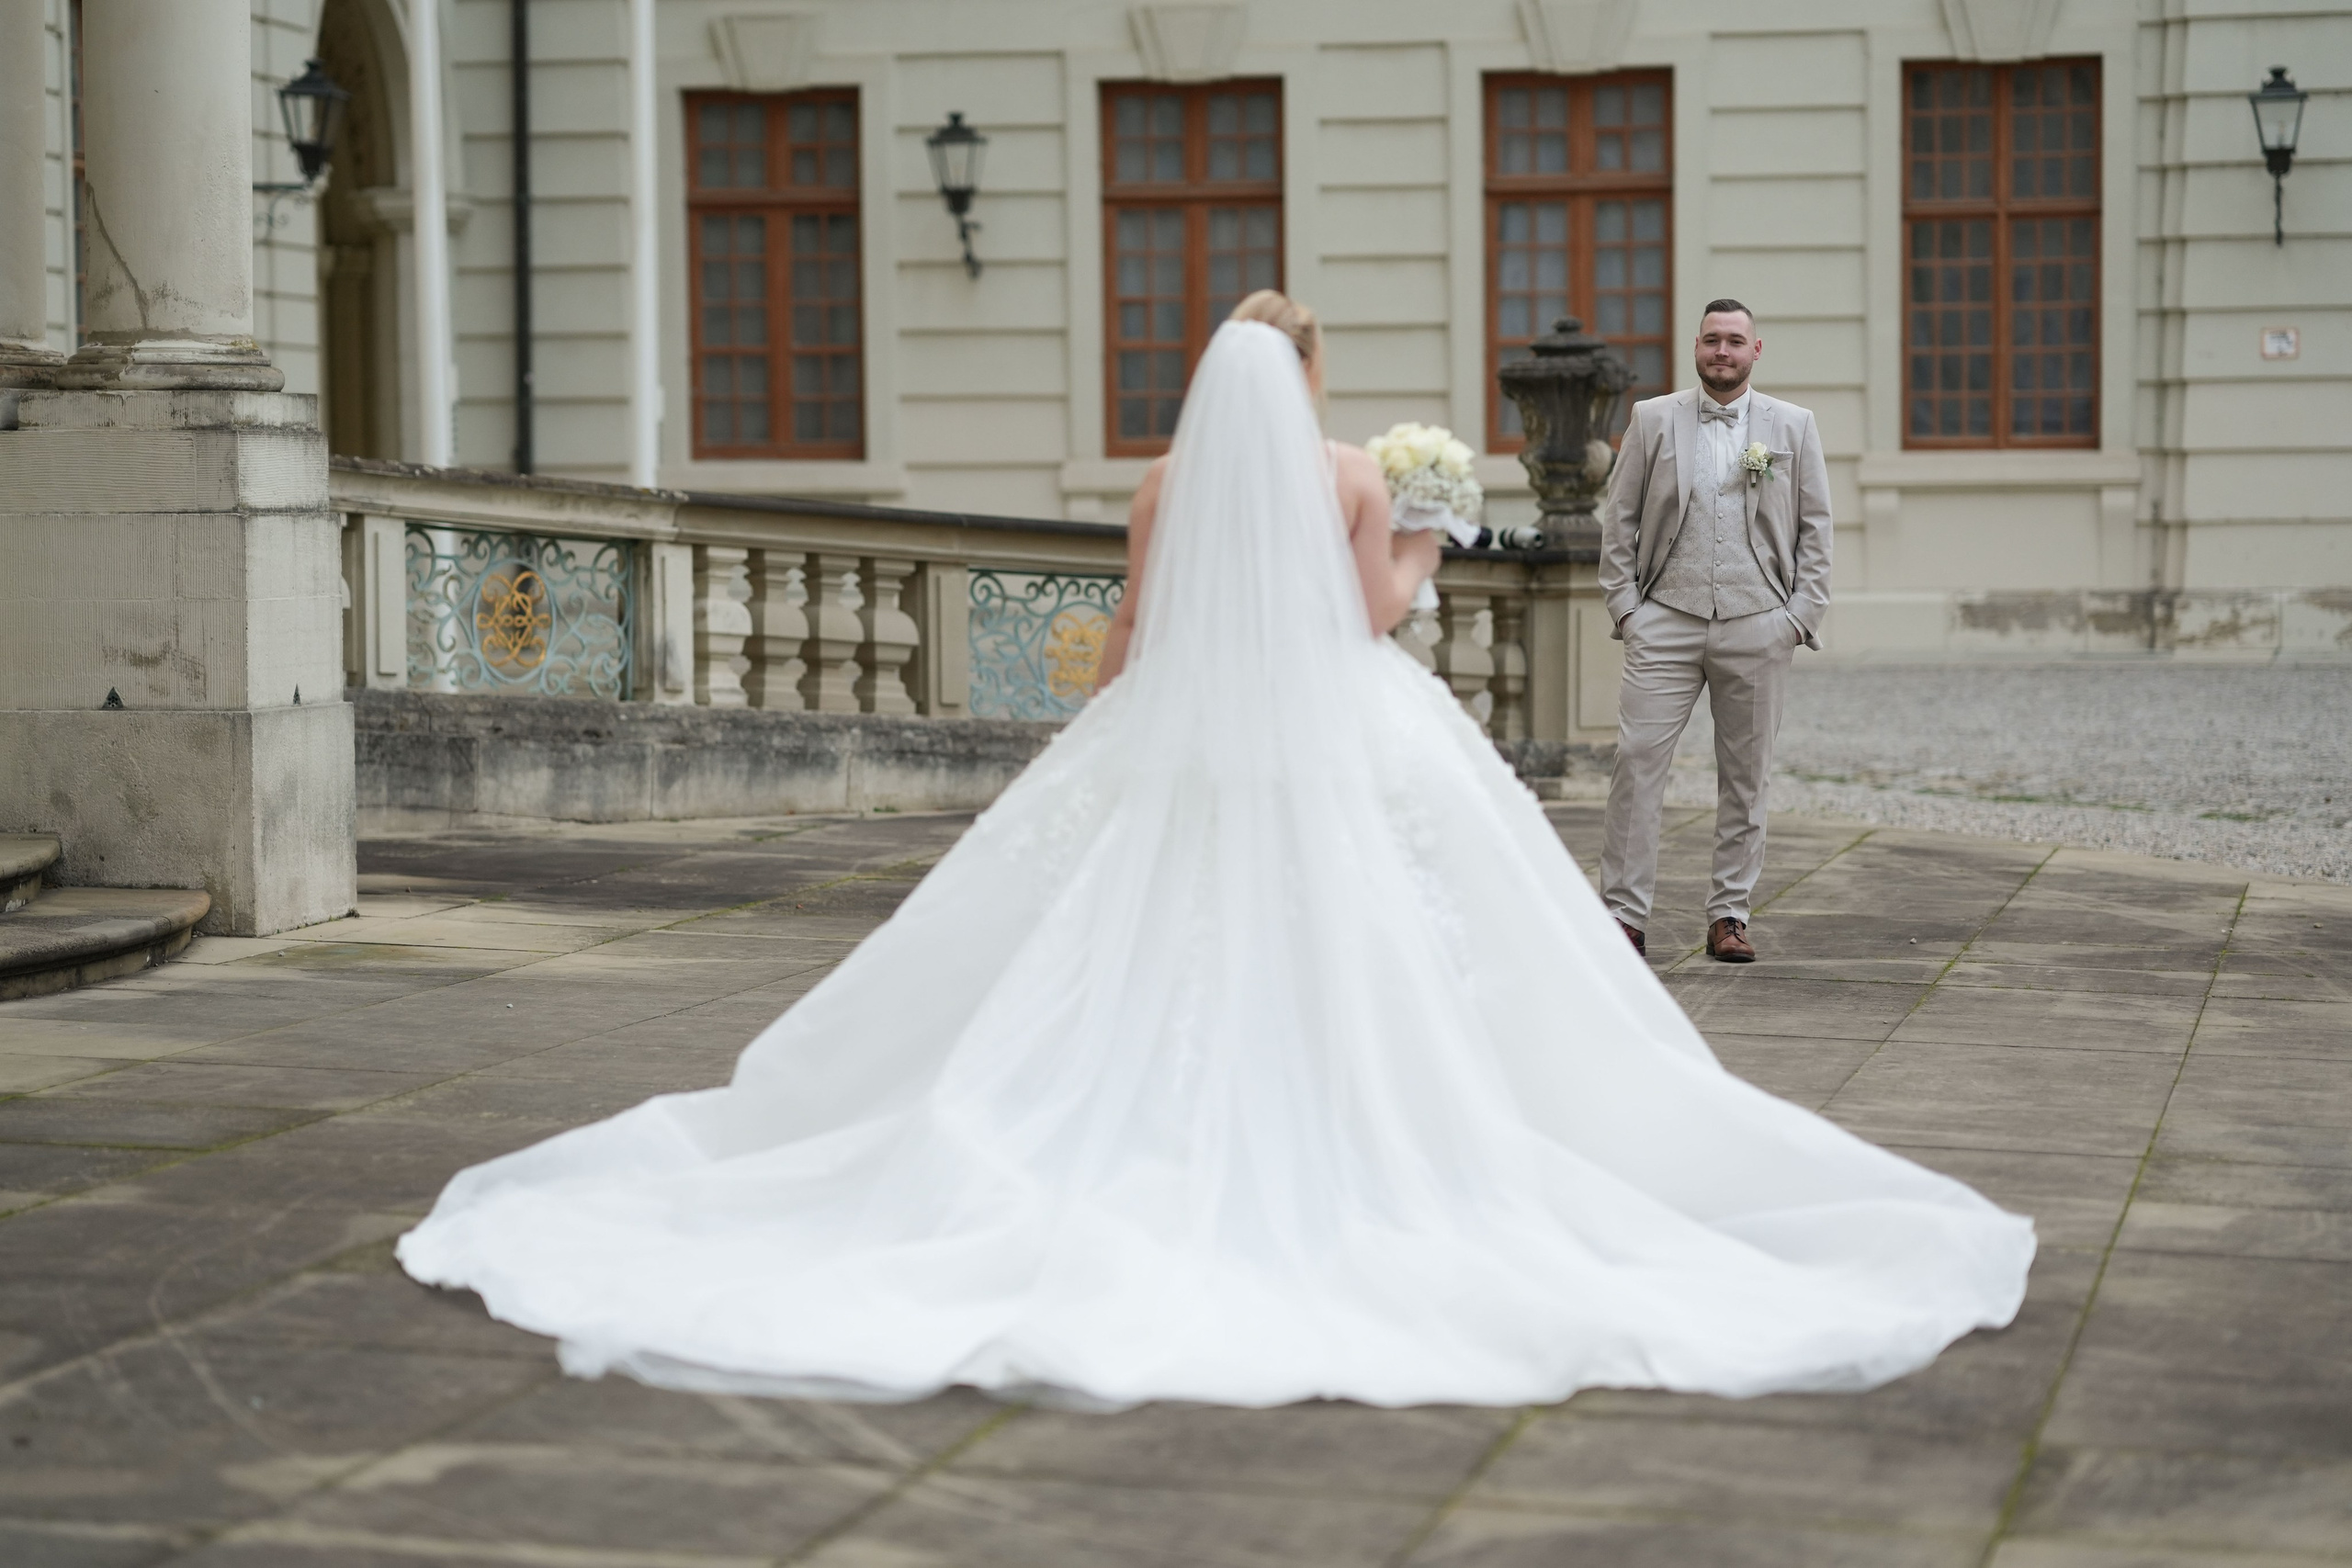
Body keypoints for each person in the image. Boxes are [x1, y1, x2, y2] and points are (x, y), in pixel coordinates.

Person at [399, 295, 2030, 1412]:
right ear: (1306, 380)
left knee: (1129, 943)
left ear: (1205, 383)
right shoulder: (1346, 475)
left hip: (1188, 734)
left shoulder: (1165, 476)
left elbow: (1128, 632)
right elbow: (1371, 615)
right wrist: (1427, 530)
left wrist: (1098, 748)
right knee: (1390, 937)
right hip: (1338, 730)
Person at [1599, 299, 1832, 964]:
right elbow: (1619, 522)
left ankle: (1730, 913)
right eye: (1711, 341)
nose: (1721, 352)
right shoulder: (1652, 419)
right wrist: (1626, 610)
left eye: (1734, 341)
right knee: (1636, 765)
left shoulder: (1793, 426)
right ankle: (1624, 918)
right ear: (1695, 348)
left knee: (1746, 776)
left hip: (1759, 622)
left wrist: (1796, 619)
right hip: (1664, 620)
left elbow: (1816, 527)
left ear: (1756, 350)